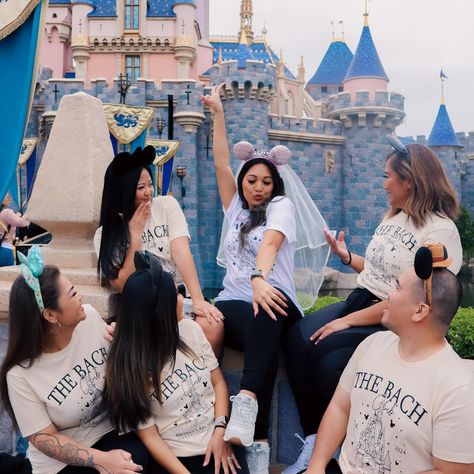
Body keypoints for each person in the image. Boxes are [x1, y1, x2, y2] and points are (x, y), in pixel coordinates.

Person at [283, 137, 463, 474]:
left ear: (408, 180)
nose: (383, 185)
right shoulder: (394, 217)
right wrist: (347, 257)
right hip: (362, 298)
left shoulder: (440, 231)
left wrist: (347, 322)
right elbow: (379, 273)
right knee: (295, 338)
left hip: (393, 315)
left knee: (326, 354)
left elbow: (415, 295)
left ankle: (343, 444)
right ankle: (313, 439)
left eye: (387, 176)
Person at [201, 84, 328, 473]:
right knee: (264, 340)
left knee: (267, 310)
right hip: (234, 303)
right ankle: (258, 448)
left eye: (266, 182)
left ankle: (247, 400)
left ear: (275, 186)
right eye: (252, 180)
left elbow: (271, 244)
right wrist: (218, 114)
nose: (258, 187)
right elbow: (222, 163)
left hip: (275, 300)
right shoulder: (235, 209)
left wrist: (260, 278)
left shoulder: (282, 207)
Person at [303, 244, 474, 474]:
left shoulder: (458, 387)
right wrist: (316, 465)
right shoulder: (373, 344)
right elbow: (340, 407)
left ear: (420, 311)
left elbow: (453, 472)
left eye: (397, 288)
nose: (388, 295)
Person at [0, 246, 148, 474]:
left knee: (142, 459)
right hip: (63, 463)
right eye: (72, 294)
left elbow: (121, 378)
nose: (81, 297)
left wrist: (122, 345)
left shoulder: (89, 317)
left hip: (111, 432)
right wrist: (102, 461)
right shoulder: (20, 375)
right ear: (50, 315)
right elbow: (46, 439)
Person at [104, 250, 248, 474]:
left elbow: (218, 383)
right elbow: (150, 437)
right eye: (177, 294)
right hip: (176, 461)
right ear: (161, 311)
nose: (183, 299)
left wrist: (220, 429)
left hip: (218, 443)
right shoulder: (129, 368)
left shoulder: (190, 331)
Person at [94, 145, 223, 352]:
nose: (148, 192)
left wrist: (198, 300)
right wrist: (134, 236)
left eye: (150, 184)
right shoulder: (105, 234)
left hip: (180, 297)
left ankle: (202, 381)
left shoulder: (166, 206)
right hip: (142, 309)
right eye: (140, 187)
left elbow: (181, 252)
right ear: (123, 191)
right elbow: (123, 285)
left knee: (212, 325)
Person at [0, 193, 29, 266]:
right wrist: (28, 212)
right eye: (6, 196)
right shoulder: (6, 212)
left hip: (2, 247)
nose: (9, 198)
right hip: (5, 250)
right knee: (6, 276)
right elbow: (22, 222)